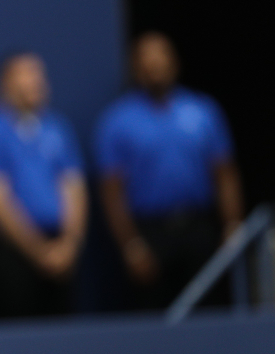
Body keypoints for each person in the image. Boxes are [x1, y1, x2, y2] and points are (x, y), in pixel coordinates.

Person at [95, 32, 244, 312]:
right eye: (147, 60)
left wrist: (233, 225)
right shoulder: (117, 121)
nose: (155, 66)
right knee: (154, 316)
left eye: (161, 57)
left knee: (208, 312)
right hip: (150, 232)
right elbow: (112, 190)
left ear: (174, 63)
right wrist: (131, 244)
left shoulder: (203, 111)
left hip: (199, 228)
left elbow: (224, 173)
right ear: (135, 68)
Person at [0, 53, 88, 318]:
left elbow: (73, 187)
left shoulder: (57, 127)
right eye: (25, 74)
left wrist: (69, 244)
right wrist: (37, 251)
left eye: (38, 74)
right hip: (14, 251)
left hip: (61, 248)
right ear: (3, 84)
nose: (35, 81)